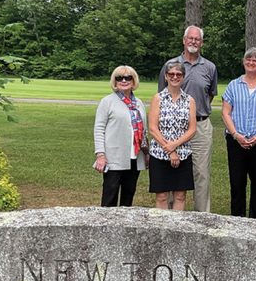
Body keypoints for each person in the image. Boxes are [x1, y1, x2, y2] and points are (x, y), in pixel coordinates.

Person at [158, 25, 217, 213]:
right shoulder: (171, 65)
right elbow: (161, 95)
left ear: (202, 43)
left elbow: (210, 95)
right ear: (184, 40)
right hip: (172, 128)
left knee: (201, 172)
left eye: (197, 39)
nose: (193, 42)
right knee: (170, 169)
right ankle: (168, 215)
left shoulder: (209, 67)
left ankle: (201, 216)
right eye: (190, 38)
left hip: (199, 126)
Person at [221, 48, 256, 219]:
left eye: (255, 60)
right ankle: (237, 217)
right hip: (236, 140)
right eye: (248, 59)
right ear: (244, 62)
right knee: (237, 182)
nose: (251, 62)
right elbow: (225, 112)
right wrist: (236, 134)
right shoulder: (233, 85)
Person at [93, 65, 148, 207]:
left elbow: (144, 130)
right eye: (119, 78)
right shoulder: (107, 101)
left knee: (128, 196)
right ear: (115, 81)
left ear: (133, 80)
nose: (124, 80)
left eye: (128, 77)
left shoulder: (139, 103)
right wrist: (100, 155)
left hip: (135, 158)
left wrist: (147, 154)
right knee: (110, 196)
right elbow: (99, 129)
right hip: (114, 157)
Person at [148, 62, 197, 210]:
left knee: (180, 196)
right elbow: (152, 128)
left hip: (183, 154)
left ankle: (177, 229)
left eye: (178, 74)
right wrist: (169, 150)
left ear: (183, 77)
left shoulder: (190, 100)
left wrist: (174, 146)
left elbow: (192, 129)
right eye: (171, 74)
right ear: (166, 76)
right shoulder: (158, 98)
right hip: (159, 153)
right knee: (162, 196)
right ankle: (162, 229)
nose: (175, 77)